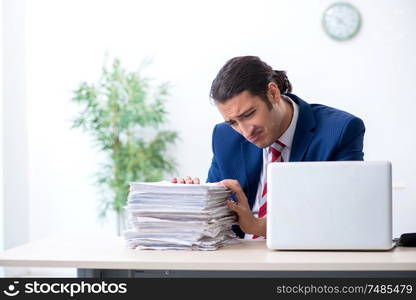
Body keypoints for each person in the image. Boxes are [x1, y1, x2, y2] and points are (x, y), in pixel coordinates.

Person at [172, 56, 365, 239]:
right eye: (233, 122)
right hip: (238, 260)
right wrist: (193, 202)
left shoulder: (339, 131)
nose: (245, 131)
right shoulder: (224, 137)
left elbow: (343, 218)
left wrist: (259, 226)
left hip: (306, 260)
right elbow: (216, 218)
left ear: (273, 93)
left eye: (249, 114)